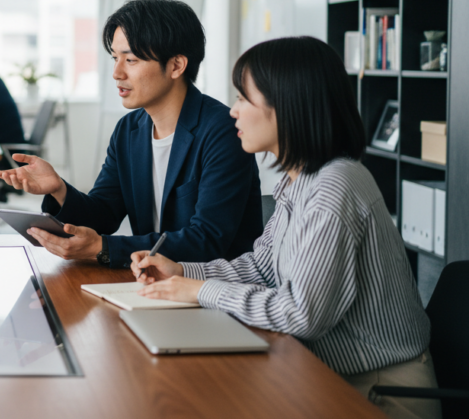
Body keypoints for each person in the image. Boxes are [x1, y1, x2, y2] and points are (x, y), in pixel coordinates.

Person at [131, 37, 438, 419]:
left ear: (288, 106)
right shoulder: (300, 181)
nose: (233, 112)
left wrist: (202, 290)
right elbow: (262, 268)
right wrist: (182, 271)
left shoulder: (334, 188)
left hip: (377, 391)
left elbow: (302, 314)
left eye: (244, 99)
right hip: (327, 371)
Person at [0, 0, 262, 267]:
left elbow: (206, 240)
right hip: (151, 284)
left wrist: (103, 247)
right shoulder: (129, 129)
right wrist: (59, 189)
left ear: (176, 66)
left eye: (131, 59)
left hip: (212, 290)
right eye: (114, 58)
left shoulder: (224, 131)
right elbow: (105, 214)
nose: (116, 73)